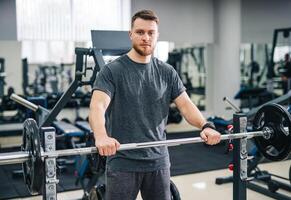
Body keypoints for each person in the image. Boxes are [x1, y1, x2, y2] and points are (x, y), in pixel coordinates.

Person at [89, 9, 221, 200]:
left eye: (151, 33)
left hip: (158, 160)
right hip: (123, 161)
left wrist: (205, 125)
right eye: (140, 32)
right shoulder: (112, 71)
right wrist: (101, 137)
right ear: (131, 34)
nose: (146, 37)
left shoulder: (167, 72)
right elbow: (97, 106)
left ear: (157, 35)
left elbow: (185, 104)